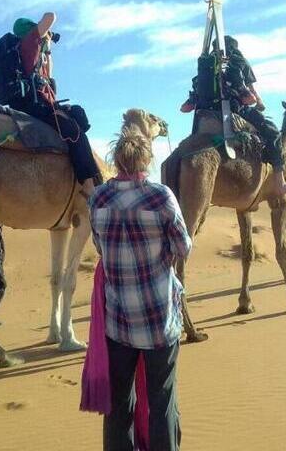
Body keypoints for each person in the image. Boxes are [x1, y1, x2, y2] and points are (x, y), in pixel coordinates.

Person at [89, 127, 191, 451]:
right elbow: (183, 247)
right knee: (161, 400)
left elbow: (100, 248)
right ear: (147, 157)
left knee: (119, 405)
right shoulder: (160, 195)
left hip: (118, 321)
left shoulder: (99, 197)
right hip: (159, 320)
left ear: (115, 158)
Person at [179, 35, 286, 198]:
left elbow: (185, 108)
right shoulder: (238, 62)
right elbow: (250, 98)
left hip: (204, 116)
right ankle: (280, 181)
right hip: (233, 112)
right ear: (234, 47)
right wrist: (257, 102)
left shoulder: (205, 68)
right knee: (273, 132)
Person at [8, 12, 102, 197]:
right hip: (37, 107)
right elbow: (51, 16)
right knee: (74, 132)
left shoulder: (27, 53)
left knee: (77, 113)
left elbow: (49, 78)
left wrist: (47, 49)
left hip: (34, 104)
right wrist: (43, 33)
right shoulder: (29, 42)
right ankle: (90, 187)